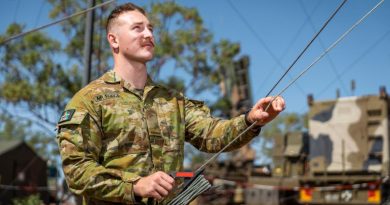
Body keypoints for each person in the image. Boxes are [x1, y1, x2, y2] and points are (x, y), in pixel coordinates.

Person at [56, 2, 285, 205]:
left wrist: (250, 120)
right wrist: (135, 186)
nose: (148, 34)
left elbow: (211, 135)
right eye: (137, 28)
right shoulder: (89, 100)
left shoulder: (173, 100)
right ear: (113, 40)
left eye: (150, 29)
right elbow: (77, 171)